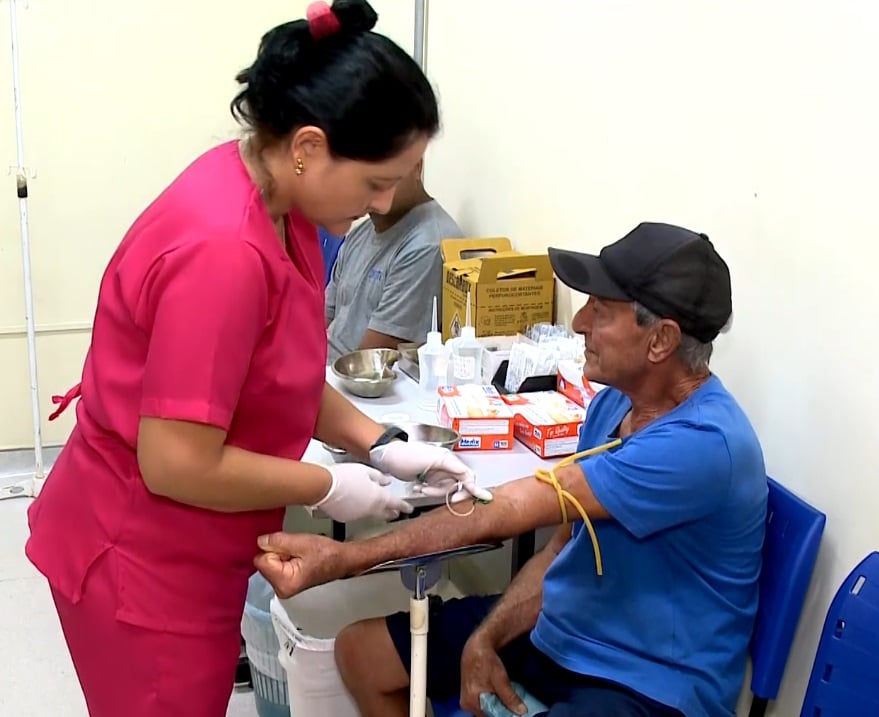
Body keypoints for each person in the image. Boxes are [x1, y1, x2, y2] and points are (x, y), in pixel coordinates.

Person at [24, 2, 489, 716]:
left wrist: (380, 442)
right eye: (374, 181)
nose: (384, 202)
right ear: (307, 145)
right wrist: (327, 486)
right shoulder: (223, 251)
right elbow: (174, 459)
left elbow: (284, 370)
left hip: (194, 545)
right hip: (140, 561)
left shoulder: (276, 203)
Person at [255, 222, 769, 717]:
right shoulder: (612, 406)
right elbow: (559, 550)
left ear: (660, 340)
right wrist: (488, 634)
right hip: (565, 634)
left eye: (601, 311)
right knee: (362, 655)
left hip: (648, 682)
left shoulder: (701, 446)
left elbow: (512, 507)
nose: (579, 323)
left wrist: (346, 558)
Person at [325, 160, 462, 362]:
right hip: (321, 372)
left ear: (416, 165)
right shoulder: (359, 235)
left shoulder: (428, 245)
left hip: (351, 384)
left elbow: (370, 364)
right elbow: (319, 324)